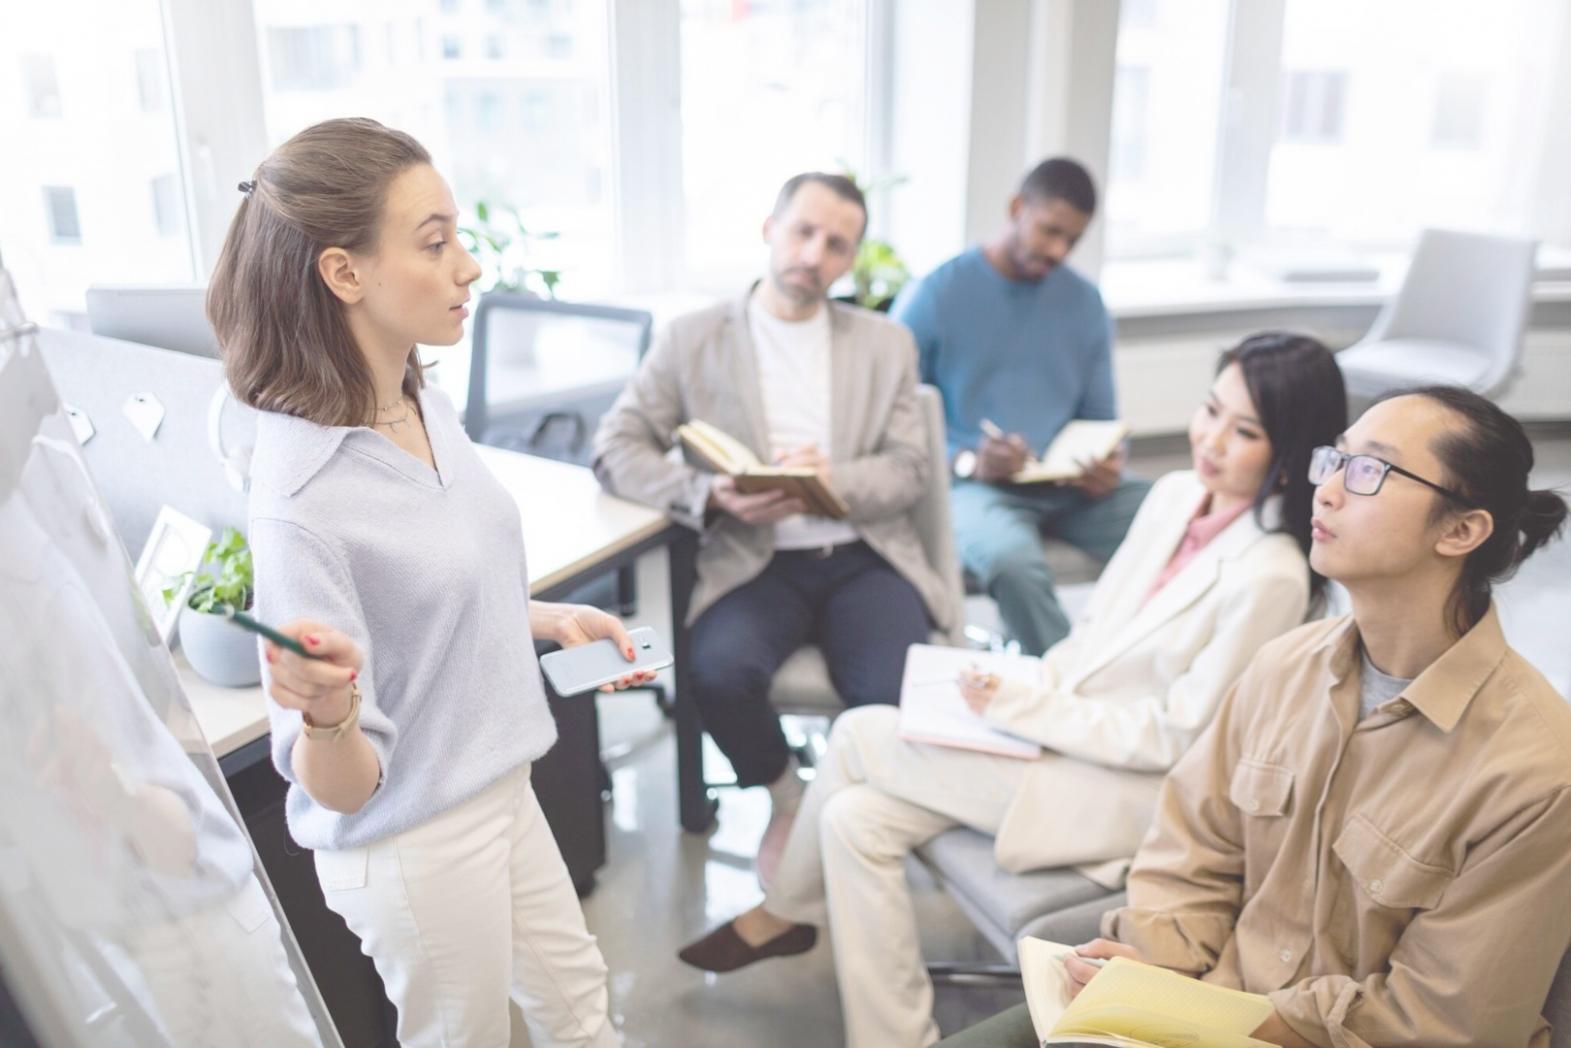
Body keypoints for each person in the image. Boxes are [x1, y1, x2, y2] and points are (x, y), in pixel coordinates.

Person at [679, 333, 1349, 1048]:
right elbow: (1091, 633)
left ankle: (782, 913)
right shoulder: (1175, 495)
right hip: (1059, 738)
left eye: (1244, 432)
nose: (1210, 440)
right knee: (851, 818)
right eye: (1210, 411)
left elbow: (1176, 738)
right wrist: (1019, 687)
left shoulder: (1271, 575)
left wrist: (1021, 709)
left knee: (857, 734)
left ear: (1288, 454)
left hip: (1126, 792)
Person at [938, 386, 1571, 1047]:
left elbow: (1442, 1022)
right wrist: (1158, 964)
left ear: (1461, 530)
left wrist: (1205, 1012)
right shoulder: (1284, 667)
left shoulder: (1534, 771)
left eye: (1370, 471)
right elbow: (1189, 852)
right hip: (1195, 1008)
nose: (1325, 492)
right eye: (1334, 460)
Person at [210, 117, 651, 1048]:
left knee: (580, 1015)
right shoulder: (301, 502)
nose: (469, 267)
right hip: (417, 839)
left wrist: (541, 617)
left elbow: (425, 598)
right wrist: (326, 712)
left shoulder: (415, 395)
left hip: (498, 780)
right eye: (435, 242)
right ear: (345, 273)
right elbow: (342, 788)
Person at [592, 173, 953, 877]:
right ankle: (789, 800)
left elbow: (911, 469)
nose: (814, 255)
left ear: (850, 259)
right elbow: (615, 448)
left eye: (836, 244)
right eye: (803, 232)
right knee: (717, 675)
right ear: (769, 229)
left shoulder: (885, 343)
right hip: (754, 558)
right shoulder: (692, 338)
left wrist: (830, 482)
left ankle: (846, 818)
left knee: (890, 695)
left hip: (863, 554)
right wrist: (710, 494)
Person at [894, 156, 1150, 657]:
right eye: (1050, 231)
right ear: (1016, 208)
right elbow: (892, 420)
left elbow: (1101, 418)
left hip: (1068, 486)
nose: (1058, 251)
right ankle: (1064, 682)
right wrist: (967, 460)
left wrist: (1107, 462)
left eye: (1072, 239)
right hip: (973, 486)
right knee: (1013, 563)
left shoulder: (1084, 304)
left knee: (1178, 513)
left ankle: (1144, 660)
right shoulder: (935, 296)